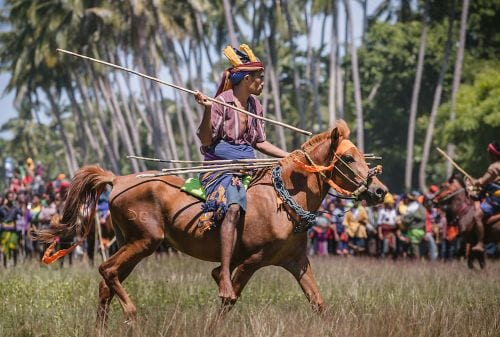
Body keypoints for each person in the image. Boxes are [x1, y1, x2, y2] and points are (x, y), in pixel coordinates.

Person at [194, 44, 288, 301]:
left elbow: (259, 142)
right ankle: (224, 274)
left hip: (250, 166)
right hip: (220, 169)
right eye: (260, 78)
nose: (262, 83)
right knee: (234, 207)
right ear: (247, 79)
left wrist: (291, 157)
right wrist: (205, 109)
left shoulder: (255, 105)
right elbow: (205, 139)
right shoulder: (220, 103)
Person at [466, 141, 500, 253]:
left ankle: (480, 243)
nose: (488, 156)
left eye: (489, 153)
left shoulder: (494, 167)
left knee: (477, 215)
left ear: (494, 154)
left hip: (496, 199)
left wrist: (473, 182)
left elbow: (482, 182)